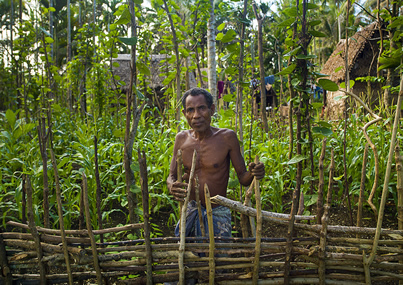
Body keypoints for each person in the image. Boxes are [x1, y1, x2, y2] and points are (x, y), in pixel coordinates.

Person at [167, 87, 265, 239]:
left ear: (212, 110)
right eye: (190, 110)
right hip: (191, 209)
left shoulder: (226, 138)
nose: (196, 116)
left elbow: (243, 179)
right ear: (185, 113)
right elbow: (171, 176)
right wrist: (172, 185)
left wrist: (254, 173)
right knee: (189, 257)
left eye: (201, 108)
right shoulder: (181, 139)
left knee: (220, 257)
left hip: (218, 210)